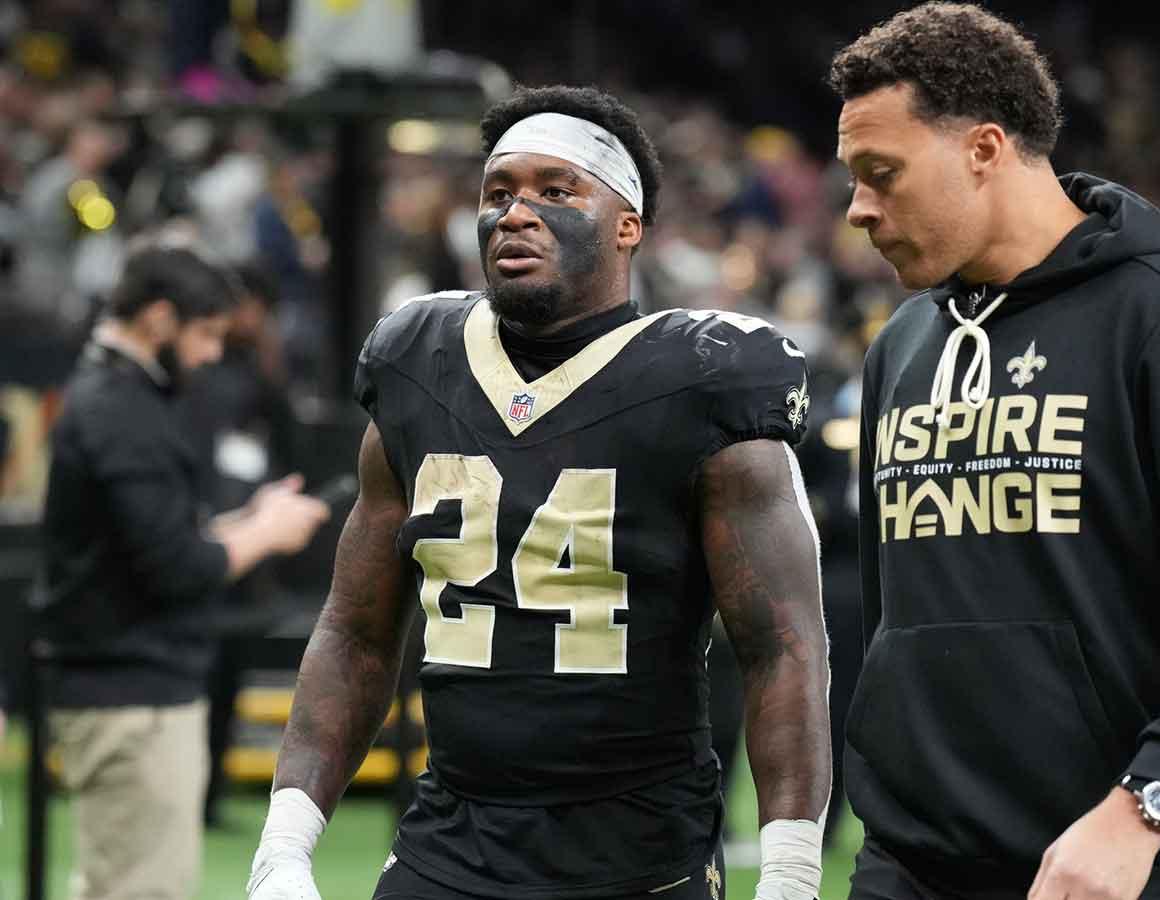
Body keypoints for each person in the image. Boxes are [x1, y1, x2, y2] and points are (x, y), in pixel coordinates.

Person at [246, 85, 832, 900]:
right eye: (499, 192)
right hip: (449, 847)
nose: (516, 213)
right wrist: (284, 843)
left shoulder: (706, 378)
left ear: (628, 224)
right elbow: (357, 630)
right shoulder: (420, 364)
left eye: (558, 191)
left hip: (637, 862)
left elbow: (783, 650)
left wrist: (793, 874)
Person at [829, 5, 1160, 900]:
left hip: (1131, 864)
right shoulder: (900, 346)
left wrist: (1145, 805)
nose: (858, 208)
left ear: (983, 149)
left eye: (880, 173)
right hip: (913, 863)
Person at [35, 241, 330, 900]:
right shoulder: (118, 407)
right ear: (160, 319)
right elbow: (176, 566)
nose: (211, 355)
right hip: (133, 699)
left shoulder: (117, 397)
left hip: (131, 691)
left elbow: (154, 541)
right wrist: (263, 531)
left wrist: (246, 521)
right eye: (204, 335)